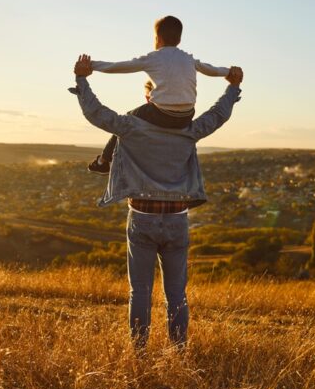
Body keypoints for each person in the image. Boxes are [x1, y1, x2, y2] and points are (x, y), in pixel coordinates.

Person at [70, 54, 243, 350]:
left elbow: (97, 113)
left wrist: (82, 79)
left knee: (140, 292)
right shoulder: (190, 130)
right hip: (177, 218)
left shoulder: (132, 127)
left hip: (142, 217)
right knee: (177, 293)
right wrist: (232, 87)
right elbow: (217, 115)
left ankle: (139, 353)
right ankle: (178, 351)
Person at [86, 16, 242, 174]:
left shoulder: (153, 58)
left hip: (161, 113)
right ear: (179, 39)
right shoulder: (189, 59)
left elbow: (118, 67)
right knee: (139, 116)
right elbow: (211, 70)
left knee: (125, 121)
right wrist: (229, 72)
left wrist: (92, 65)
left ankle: (103, 161)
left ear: (157, 38)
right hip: (186, 116)